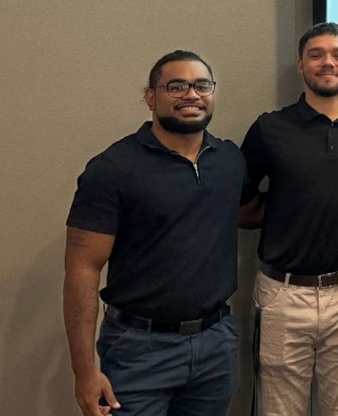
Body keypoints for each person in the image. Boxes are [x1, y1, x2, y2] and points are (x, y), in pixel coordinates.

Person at [63, 50, 247, 416]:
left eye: (201, 85)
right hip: (138, 350)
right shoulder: (113, 169)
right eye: (176, 86)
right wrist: (84, 371)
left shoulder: (229, 161)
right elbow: (82, 270)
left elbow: (251, 211)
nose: (191, 95)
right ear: (151, 97)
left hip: (216, 344)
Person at [239, 22, 338, 416]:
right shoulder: (270, 128)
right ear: (300, 65)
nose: (327, 63)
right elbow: (241, 198)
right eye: (316, 55)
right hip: (282, 294)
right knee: (278, 411)